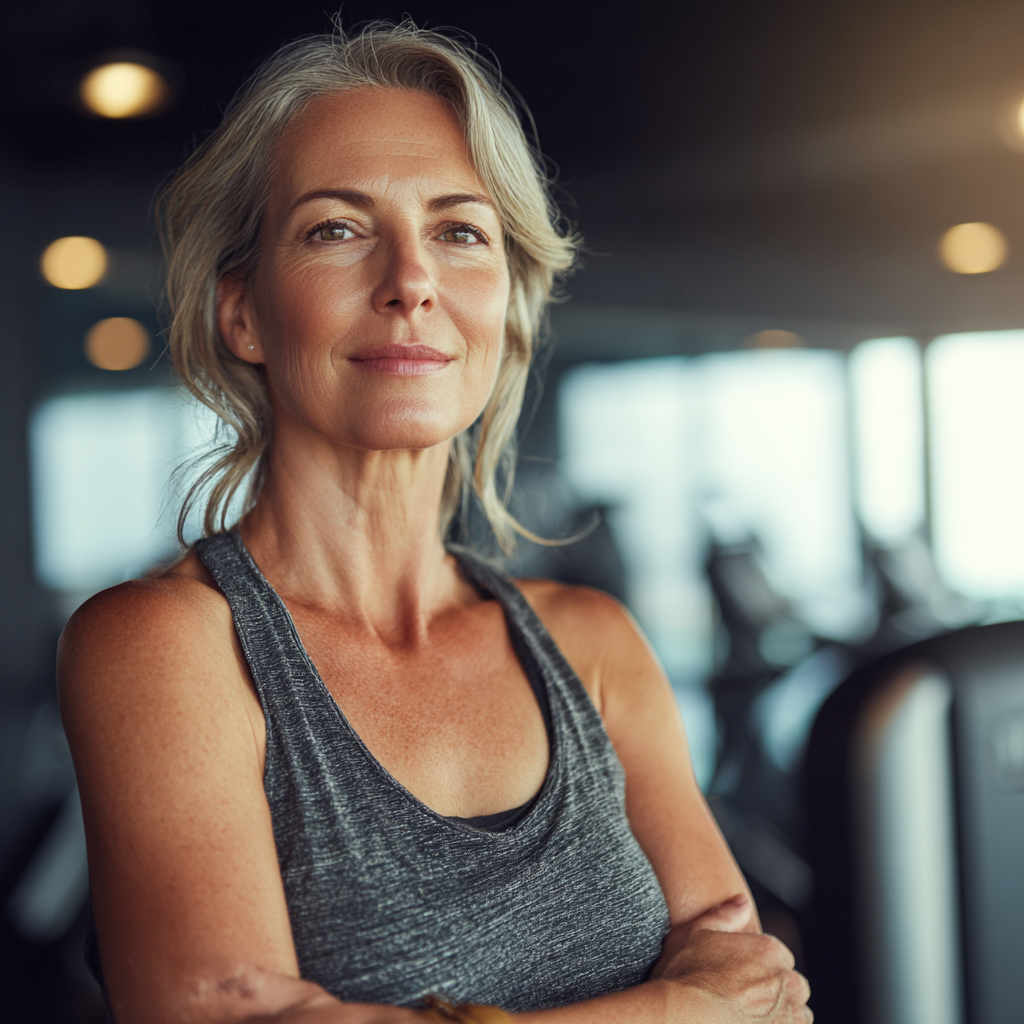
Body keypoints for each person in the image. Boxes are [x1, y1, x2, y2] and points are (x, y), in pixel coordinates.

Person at [58, 21, 812, 1024]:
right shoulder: (166, 646)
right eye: (338, 229)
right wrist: (675, 1007)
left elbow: (760, 992)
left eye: (460, 232)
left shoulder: (591, 645)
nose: (411, 280)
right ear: (242, 311)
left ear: (504, 313)